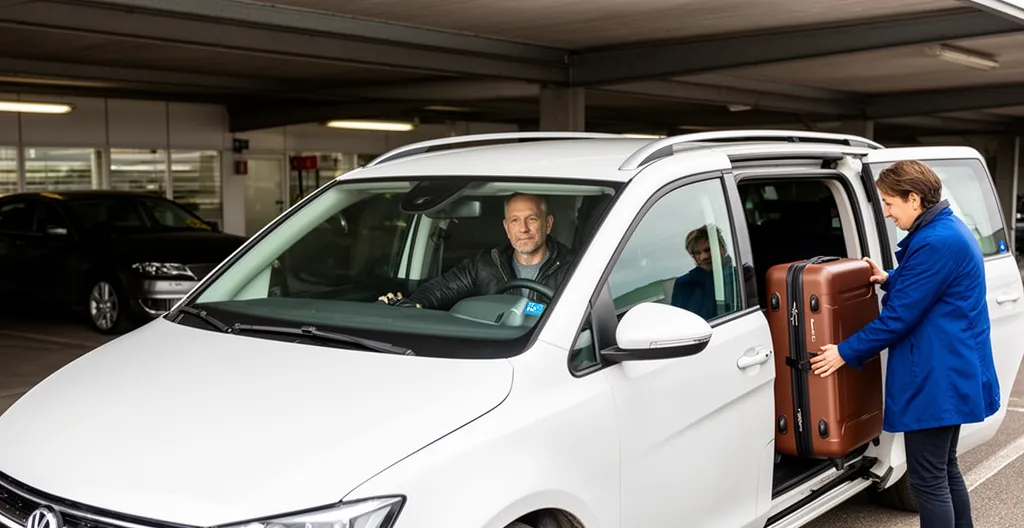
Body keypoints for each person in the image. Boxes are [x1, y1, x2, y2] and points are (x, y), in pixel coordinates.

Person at [809, 160, 1000, 528]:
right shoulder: (947, 230)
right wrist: (890, 277)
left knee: (928, 480)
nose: (886, 212)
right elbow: (929, 284)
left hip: (937, 378)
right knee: (944, 468)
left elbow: (898, 319)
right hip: (951, 370)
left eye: (889, 202)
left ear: (914, 199)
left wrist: (843, 352)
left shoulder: (935, 242)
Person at [378, 193, 575, 310]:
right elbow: (442, 289)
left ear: (548, 224)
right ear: (506, 227)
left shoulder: (574, 268)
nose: (523, 228)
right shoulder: (486, 263)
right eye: (515, 220)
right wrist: (413, 305)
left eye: (532, 219)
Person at [670, 225, 736, 319]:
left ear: (723, 249)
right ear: (693, 257)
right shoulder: (684, 285)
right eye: (697, 253)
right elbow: (679, 322)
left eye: (708, 249)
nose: (704, 256)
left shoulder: (740, 276)